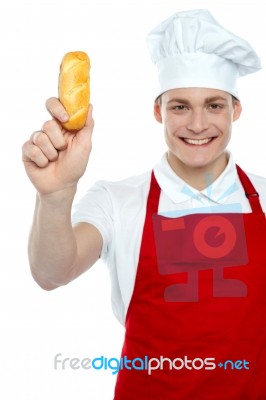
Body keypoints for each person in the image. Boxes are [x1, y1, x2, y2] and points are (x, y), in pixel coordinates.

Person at [22, 9, 266, 400]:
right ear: (158, 111)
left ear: (236, 110)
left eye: (215, 105)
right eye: (180, 106)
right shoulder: (118, 200)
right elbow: (52, 274)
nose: (198, 124)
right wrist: (56, 195)